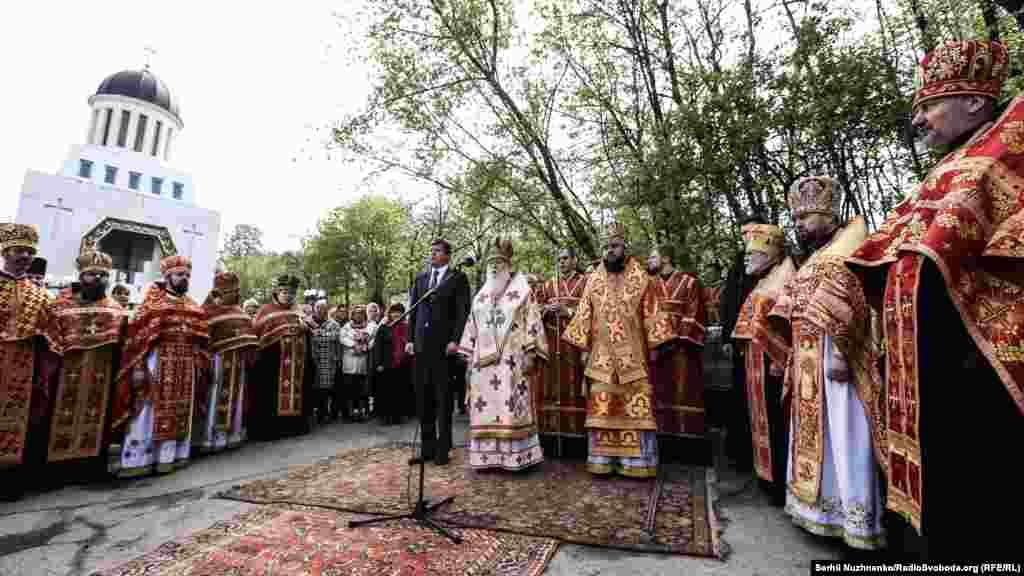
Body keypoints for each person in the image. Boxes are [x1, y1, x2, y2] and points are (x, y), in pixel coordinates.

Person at [846, 39, 1024, 559]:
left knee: (983, 506)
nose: (920, 119)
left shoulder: (1005, 150)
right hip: (924, 370)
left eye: (929, 106)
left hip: (978, 365)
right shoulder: (951, 165)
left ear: (974, 102)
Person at [765, 176, 885, 552]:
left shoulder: (851, 245)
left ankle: (856, 520)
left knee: (845, 436)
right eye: (795, 219)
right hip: (807, 363)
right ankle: (820, 513)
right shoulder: (817, 255)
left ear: (828, 215)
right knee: (819, 437)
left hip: (837, 360)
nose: (798, 225)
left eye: (805, 218)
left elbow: (863, 303)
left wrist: (841, 352)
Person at [562, 222, 674, 478]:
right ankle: (602, 459)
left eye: (614, 246)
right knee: (603, 409)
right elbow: (584, 315)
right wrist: (583, 347)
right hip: (601, 359)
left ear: (624, 247)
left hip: (633, 358)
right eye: (605, 247)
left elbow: (652, 313)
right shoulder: (593, 280)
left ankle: (636, 463)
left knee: (635, 409)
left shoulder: (641, 277)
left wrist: (656, 345)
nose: (609, 251)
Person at [109, 255, 209, 478]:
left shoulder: (193, 306)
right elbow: (136, 341)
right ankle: (139, 459)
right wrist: (137, 368)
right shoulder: (151, 305)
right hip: (155, 364)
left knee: (180, 411)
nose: (184, 278)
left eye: (187, 275)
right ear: (167, 276)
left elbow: (201, 340)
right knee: (147, 410)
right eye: (179, 274)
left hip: (185, 367)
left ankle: (170, 457)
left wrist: (199, 361)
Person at [458, 238, 547, 471]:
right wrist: (467, 358)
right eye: (491, 263)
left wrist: (531, 353)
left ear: (508, 264)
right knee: (485, 406)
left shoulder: (523, 292)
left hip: (512, 363)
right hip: (483, 366)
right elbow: (471, 327)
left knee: (510, 407)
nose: (494, 267)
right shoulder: (480, 297)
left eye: (499, 262)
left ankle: (516, 457)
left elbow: (533, 321)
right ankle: (487, 458)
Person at [43, 249, 127, 480]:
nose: (98, 279)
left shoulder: (116, 310)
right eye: (92, 274)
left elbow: (123, 345)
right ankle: (54, 468)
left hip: (101, 375)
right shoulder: (59, 306)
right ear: (81, 277)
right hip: (64, 374)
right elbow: (50, 342)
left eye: (103, 275)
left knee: (97, 417)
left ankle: (90, 466)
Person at [729, 223, 796, 506]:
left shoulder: (785, 277)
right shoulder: (763, 280)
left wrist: (779, 360)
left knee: (776, 424)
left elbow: (786, 325)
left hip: (773, 365)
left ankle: (780, 484)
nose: (746, 258)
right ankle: (767, 479)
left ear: (771, 254)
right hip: (756, 363)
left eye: (753, 253)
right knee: (761, 422)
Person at [0, 224, 56, 500]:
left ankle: (9, 480)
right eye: (19, 250)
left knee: (15, 422)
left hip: (22, 365)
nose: (24, 256)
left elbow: (51, 334)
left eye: (29, 252)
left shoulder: (40, 294)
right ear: (6, 252)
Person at [406, 238, 471, 466]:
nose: (432, 254)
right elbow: (413, 311)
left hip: (444, 348)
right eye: (431, 251)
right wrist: (410, 339)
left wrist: (456, 340)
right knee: (423, 399)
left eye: (437, 251)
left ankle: (444, 449)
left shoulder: (457, 277)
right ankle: (427, 448)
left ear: (447, 255)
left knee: (442, 399)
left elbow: (463, 311)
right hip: (422, 347)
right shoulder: (421, 278)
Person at [720, 213, 770, 472]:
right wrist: (727, 334)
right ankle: (740, 453)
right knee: (740, 392)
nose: (747, 238)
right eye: (743, 234)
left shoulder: (772, 259)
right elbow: (728, 301)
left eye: (751, 232)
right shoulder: (739, 263)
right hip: (740, 339)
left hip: (764, 338)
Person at [646, 244, 707, 439]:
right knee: (658, 388)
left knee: (683, 388)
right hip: (655, 347)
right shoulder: (648, 284)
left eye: (652, 257)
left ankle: (685, 433)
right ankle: (660, 433)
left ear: (665, 259)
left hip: (682, 347)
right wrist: (657, 340)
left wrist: (675, 338)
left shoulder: (690, 283)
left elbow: (695, 312)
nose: (649, 261)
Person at [195, 272, 258, 453]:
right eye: (232, 291)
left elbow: (250, 336)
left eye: (237, 290)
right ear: (220, 292)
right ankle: (209, 438)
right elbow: (201, 340)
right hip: (217, 363)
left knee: (236, 400)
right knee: (213, 398)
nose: (236, 295)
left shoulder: (240, 312)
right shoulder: (207, 312)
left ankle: (232, 434)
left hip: (238, 365)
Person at [251, 274, 314, 439]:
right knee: (271, 395)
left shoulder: (298, 311)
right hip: (272, 364)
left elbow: (308, 332)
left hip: (297, 364)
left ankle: (294, 426)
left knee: (297, 393)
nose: (288, 295)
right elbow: (257, 334)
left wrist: (306, 330)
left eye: (292, 292)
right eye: (285, 291)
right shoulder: (265, 311)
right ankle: (271, 429)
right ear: (277, 292)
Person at [536, 248, 589, 442]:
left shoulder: (585, 282)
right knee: (552, 384)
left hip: (575, 344)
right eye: (559, 259)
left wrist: (567, 311)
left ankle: (576, 434)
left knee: (574, 383)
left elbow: (591, 310)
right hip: (552, 341)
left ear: (575, 260)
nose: (562, 262)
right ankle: (550, 433)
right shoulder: (549, 284)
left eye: (566, 258)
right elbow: (535, 308)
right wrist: (546, 309)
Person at [371, 303, 413, 425]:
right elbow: (377, 347)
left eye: (399, 312)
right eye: (394, 312)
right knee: (386, 392)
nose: (396, 314)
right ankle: (385, 417)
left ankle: (398, 416)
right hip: (387, 364)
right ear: (389, 313)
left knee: (399, 392)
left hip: (403, 365)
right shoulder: (384, 327)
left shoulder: (407, 327)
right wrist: (378, 363)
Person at [340, 305, 375, 421]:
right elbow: (342, 338)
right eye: (356, 313)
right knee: (349, 390)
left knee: (362, 391)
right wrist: (354, 345)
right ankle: (350, 413)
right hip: (349, 363)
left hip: (363, 363)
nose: (358, 315)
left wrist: (366, 346)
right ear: (352, 315)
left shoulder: (369, 326)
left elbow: (373, 339)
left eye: (361, 313)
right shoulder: (346, 327)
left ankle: (362, 412)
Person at [310, 299, 341, 424]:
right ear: (314, 309)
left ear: (327, 310)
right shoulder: (308, 322)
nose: (320, 310)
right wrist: (320, 335)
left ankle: (324, 414)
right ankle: (314, 413)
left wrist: (317, 334)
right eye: (318, 308)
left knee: (325, 389)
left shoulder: (334, 324)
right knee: (313, 388)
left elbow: (333, 337)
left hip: (327, 361)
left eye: (323, 308)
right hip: (312, 359)